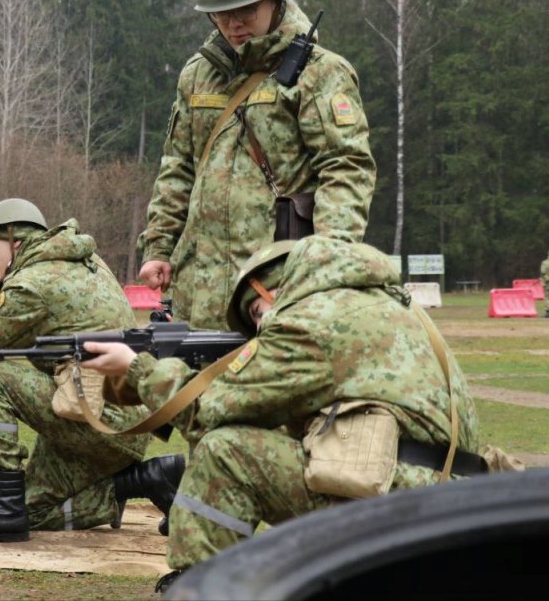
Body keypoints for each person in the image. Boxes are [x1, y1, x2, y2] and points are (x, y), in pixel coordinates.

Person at [83, 236, 483, 593]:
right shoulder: (384, 303)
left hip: (407, 501)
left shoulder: (309, 323)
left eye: (257, 313)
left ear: (272, 287)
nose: (261, 327)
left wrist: (137, 368)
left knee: (226, 451)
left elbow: (209, 409)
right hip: (449, 494)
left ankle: (199, 584)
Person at [0, 198, 184, 543]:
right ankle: (145, 479)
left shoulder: (32, 283)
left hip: (96, 418)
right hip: (119, 419)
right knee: (36, 513)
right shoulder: (86, 262)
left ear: (15, 239)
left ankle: (3, 507)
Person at [137, 0, 376, 330]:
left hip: (275, 290)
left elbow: (347, 170)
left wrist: (323, 267)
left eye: (246, 10)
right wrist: (159, 246)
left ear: (275, 1)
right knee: (192, 391)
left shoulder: (319, 73)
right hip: (198, 294)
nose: (233, 24)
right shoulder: (197, 75)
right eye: (221, 13)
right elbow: (177, 167)